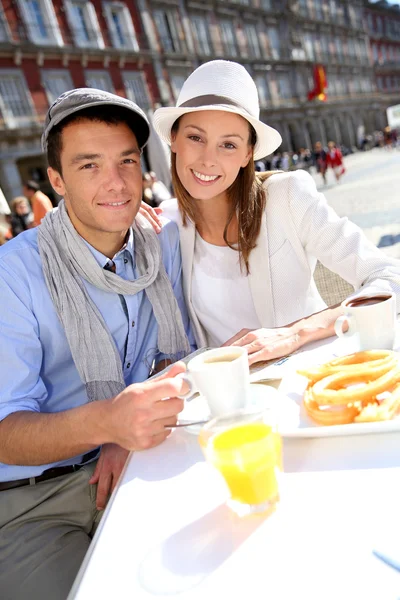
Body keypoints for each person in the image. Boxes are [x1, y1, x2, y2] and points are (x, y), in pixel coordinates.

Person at [0, 88, 195, 600]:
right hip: (32, 502)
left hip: (139, 461)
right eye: (90, 166)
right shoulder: (13, 276)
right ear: (57, 181)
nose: (116, 183)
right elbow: (3, 431)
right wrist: (108, 423)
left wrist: (119, 433)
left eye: (127, 160)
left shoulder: (160, 244)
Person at [141, 59, 400, 363]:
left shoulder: (287, 196)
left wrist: (295, 332)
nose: (208, 159)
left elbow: (389, 275)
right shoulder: (167, 224)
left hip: (307, 381)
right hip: (228, 401)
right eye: (195, 137)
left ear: (248, 154)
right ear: (174, 139)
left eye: (228, 145)